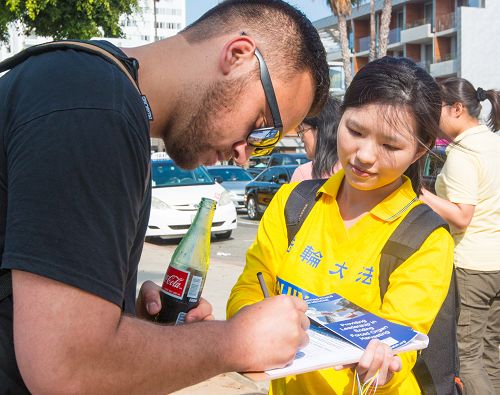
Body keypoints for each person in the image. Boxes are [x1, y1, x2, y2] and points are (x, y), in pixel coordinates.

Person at [0, 1, 330, 393]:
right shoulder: (97, 107)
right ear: (239, 55)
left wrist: (129, 328)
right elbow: (70, 368)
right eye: (262, 128)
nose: (246, 156)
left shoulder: (92, 90)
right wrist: (238, 341)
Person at [227, 57, 454, 394]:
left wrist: (382, 368)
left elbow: (401, 342)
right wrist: (255, 322)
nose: (364, 155)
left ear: (419, 153)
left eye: (390, 145)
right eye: (355, 131)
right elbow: (248, 287)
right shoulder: (294, 203)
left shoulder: (425, 238)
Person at [419, 78, 500, 395]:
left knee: (466, 359)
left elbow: (462, 215)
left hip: (473, 268)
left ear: (456, 109)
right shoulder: (494, 143)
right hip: (496, 264)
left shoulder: (463, 151)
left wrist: (421, 193)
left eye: (434, 109)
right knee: (491, 353)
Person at [290, 95, 341, 182]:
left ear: (319, 131)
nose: (301, 139)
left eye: (302, 131)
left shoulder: (304, 175)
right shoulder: (353, 171)